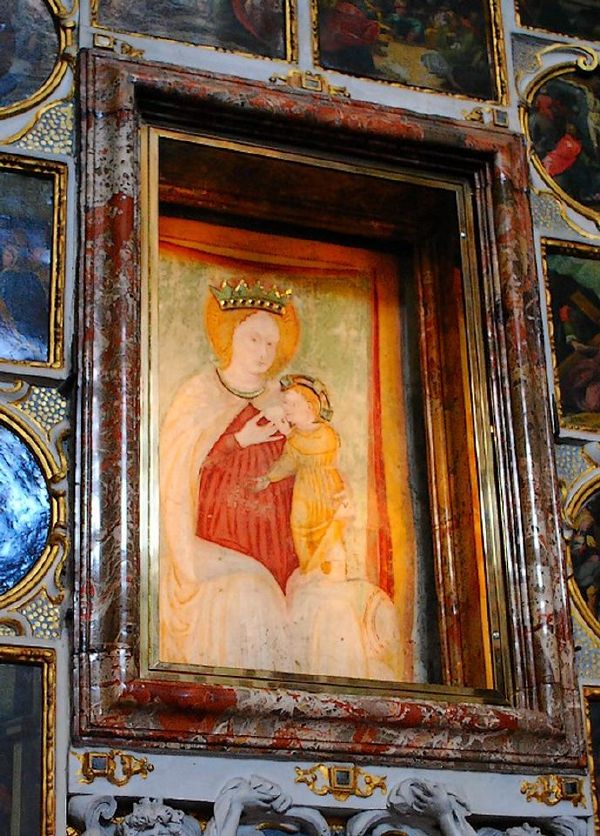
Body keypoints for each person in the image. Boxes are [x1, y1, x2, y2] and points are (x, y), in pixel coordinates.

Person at [159, 280, 300, 670]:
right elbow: (178, 474)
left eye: (270, 343)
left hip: (272, 540)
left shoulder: (283, 400)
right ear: (230, 336)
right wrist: (237, 440)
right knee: (252, 593)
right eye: (254, 339)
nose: (263, 352)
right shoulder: (199, 394)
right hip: (213, 538)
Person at [255, 374, 347, 577]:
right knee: (300, 528)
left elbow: (311, 448)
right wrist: (268, 478)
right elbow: (288, 463)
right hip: (303, 493)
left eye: (293, 404)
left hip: (326, 492)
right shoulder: (295, 436)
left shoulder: (326, 433)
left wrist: (288, 435)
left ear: (310, 408)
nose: (286, 408)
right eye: (285, 403)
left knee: (326, 536)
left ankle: (326, 575)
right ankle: (309, 573)